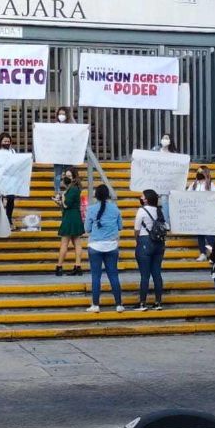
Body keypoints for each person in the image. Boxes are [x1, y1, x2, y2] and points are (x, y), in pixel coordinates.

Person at [84, 185, 124, 313]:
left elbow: (87, 229)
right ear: (108, 195)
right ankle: (119, 304)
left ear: (96, 195)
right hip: (111, 245)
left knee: (96, 276)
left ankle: (95, 305)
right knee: (113, 275)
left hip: (95, 246)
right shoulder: (115, 208)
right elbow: (120, 227)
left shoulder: (91, 209)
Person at [134, 189, 166, 312]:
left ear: (146, 199)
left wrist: (137, 240)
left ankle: (142, 303)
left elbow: (137, 228)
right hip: (159, 243)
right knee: (157, 273)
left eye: (142, 196)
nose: (141, 197)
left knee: (145, 275)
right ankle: (158, 302)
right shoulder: (159, 210)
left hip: (145, 241)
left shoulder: (142, 210)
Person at [55, 166, 85, 277]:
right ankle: (78, 266)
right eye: (65, 175)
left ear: (74, 177)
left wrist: (62, 196)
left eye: (69, 176)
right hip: (74, 216)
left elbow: (67, 204)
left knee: (65, 243)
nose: (66, 178)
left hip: (70, 217)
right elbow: (66, 204)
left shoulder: (73, 189)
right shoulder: (73, 188)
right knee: (77, 242)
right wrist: (59, 202)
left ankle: (59, 266)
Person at [188, 166, 215, 262]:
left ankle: (214, 254)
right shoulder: (193, 185)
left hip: (208, 213)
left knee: (209, 235)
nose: (199, 174)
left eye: (201, 172)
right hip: (197, 212)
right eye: (198, 172)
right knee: (200, 233)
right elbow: (187, 195)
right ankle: (203, 253)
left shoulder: (211, 185)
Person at [0, 132, 17, 229]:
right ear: (0, 141)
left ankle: (8, 219)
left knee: (11, 198)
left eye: (8, 141)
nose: (7, 143)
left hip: (9, 179)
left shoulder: (12, 151)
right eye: (5, 141)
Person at [152, 133, 179, 227]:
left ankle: (166, 222)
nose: (164, 139)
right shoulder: (155, 150)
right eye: (163, 138)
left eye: (166, 138)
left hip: (167, 181)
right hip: (156, 180)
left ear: (170, 141)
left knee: (164, 200)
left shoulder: (173, 154)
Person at [53, 107, 75, 194]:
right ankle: (57, 192)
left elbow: (78, 129)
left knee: (69, 174)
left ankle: (69, 191)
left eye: (63, 114)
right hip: (58, 154)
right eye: (60, 114)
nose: (61, 116)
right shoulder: (55, 125)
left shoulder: (71, 125)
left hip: (68, 153)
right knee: (58, 174)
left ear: (67, 115)